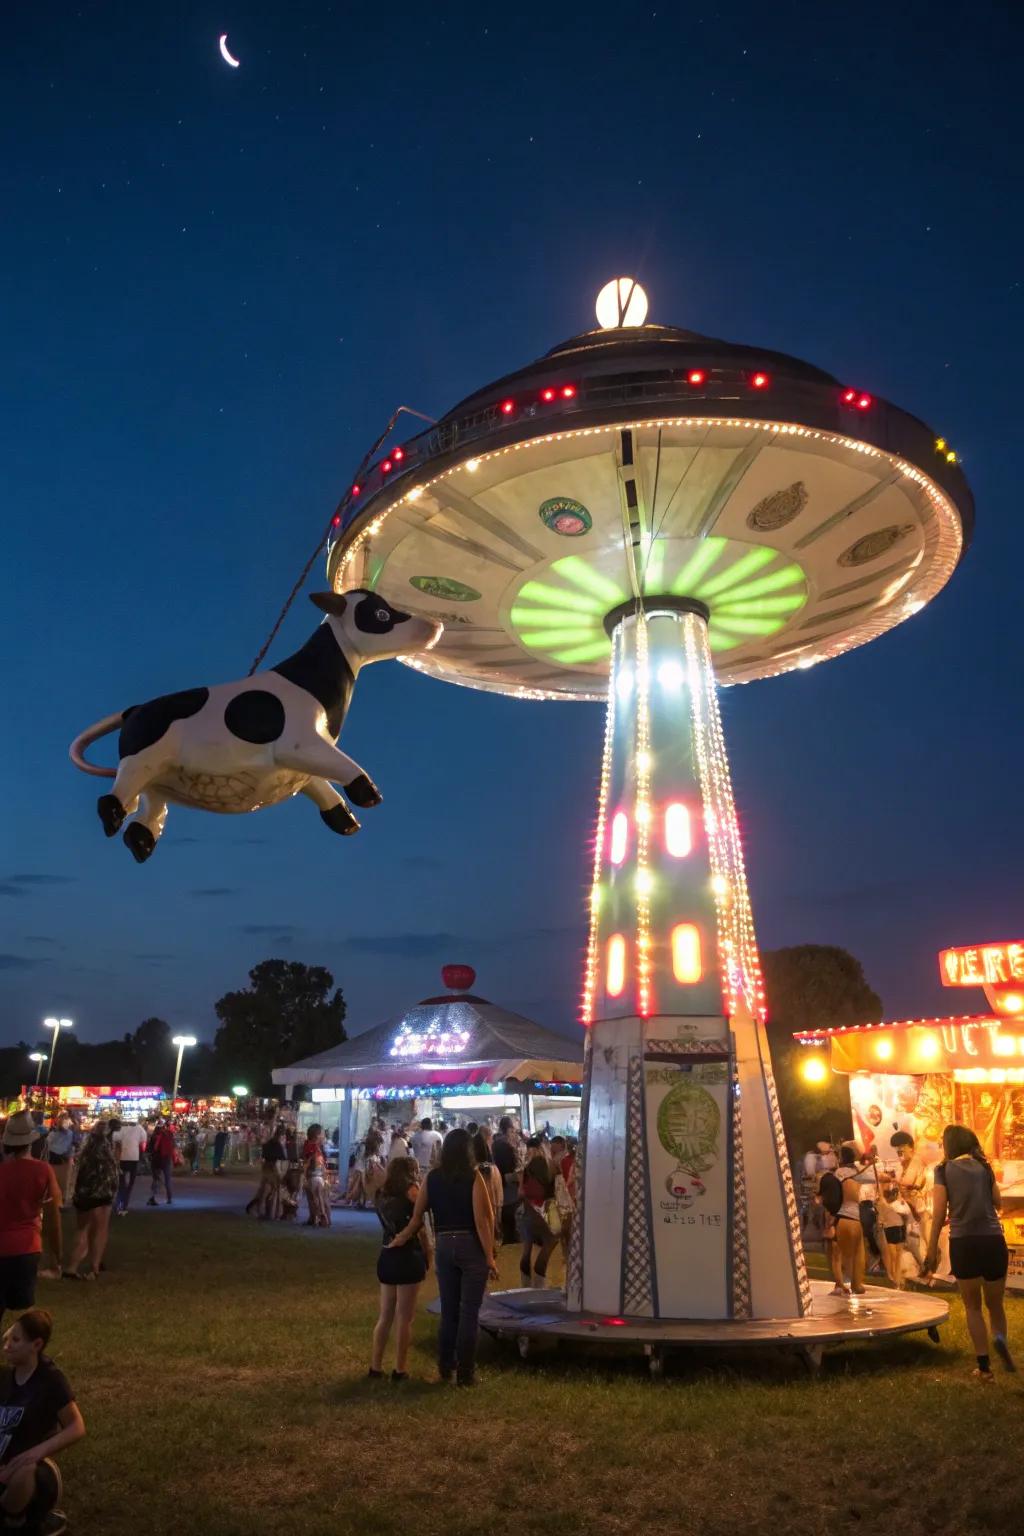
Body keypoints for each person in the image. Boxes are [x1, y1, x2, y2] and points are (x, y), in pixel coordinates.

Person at [389, 1128, 497, 1386]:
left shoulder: (432, 1178)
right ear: (468, 1151)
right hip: (470, 1244)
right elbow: (483, 1219)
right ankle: (466, 1373)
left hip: (444, 1245)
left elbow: (417, 1216)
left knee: (449, 1310)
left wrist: (401, 1237)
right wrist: (490, 1256)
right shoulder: (474, 1178)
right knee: (469, 1311)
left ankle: (446, 1366)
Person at [922, 1124, 1015, 1381]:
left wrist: (931, 1249)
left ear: (949, 1145)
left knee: (973, 1307)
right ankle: (1000, 1339)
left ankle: (984, 1368)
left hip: (964, 1243)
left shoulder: (942, 1170)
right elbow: (998, 1202)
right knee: (995, 1304)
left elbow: (939, 1213)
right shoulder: (985, 1168)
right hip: (993, 1240)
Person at [0, 1309, 85, 1535]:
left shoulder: (50, 1380)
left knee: (24, 1470)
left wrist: (35, 1453)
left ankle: (18, 1521)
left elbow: (77, 1426)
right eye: (6, 1338)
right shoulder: (5, 1377)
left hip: (32, 1471)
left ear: (36, 1345)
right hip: (3, 1466)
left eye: (15, 1340)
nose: (7, 1346)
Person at [369, 1157, 432, 1381]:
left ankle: (375, 1366)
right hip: (408, 1254)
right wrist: (428, 1255)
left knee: (385, 1316)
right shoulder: (412, 1191)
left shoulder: (382, 1194)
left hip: (387, 1253)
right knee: (405, 1318)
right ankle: (400, 1368)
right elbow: (421, 1223)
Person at [0, 1113, 63, 1318]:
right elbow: (53, 1216)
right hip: (27, 1247)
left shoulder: (2, 1172)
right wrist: (57, 1255)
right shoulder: (43, 1170)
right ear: (31, 1141)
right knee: (22, 1312)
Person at [63, 1120, 118, 1281]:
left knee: (82, 1229)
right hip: (101, 1194)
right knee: (100, 1230)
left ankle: (72, 1267)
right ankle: (95, 1267)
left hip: (83, 1194)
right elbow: (112, 1176)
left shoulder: (86, 1151)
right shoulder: (107, 1152)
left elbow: (78, 1172)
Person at [832, 1142, 875, 1296]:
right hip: (856, 1218)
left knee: (838, 1254)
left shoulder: (839, 1172)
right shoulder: (858, 1172)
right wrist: (869, 1163)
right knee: (858, 1253)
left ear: (841, 1158)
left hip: (843, 1216)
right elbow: (874, 1177)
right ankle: (857, 1284)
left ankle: (840, 1284)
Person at [517, 1135, 559, 1287]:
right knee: (549, 1242)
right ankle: (539, 1285)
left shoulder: (527, 1168)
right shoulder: (551, 1165)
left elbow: (520, 1193)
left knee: (527, 1250)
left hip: (528, 1213)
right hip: (547, 1212)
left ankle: (526, 1287)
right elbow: (556, 1191)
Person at [491, 1116, 521, 1245]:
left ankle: (508, 1240)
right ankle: (512, 1242)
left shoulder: (495, 1143)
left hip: (499, 1183)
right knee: (511, 1220)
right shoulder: (506, 1145)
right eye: (513, 1129)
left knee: (506, 1219)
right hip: (508, 1186)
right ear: (509, 1129)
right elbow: (510, 1171)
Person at [246, 1125, 286, 1220]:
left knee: (264, 1191)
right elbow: (282, 1158)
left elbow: (264, 1155)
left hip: (266, 1168)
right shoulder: (278, 1146)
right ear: (281, 1136)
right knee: (273, 1192)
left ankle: (261, 1210)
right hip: (273, 1169)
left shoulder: (268, 1144)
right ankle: (272, 1213)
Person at [112, 1118, 147, 1216]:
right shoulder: (140, 1129)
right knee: (130, 1183)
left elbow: (114, 1138)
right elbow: (143, 1141)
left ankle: (118, 1204)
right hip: (134, 1158)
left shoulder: (121, 1129)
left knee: (122, 1183)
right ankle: (124, 1205)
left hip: (123, 1159)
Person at [471, 1132, 503, 1241]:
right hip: (493, 1214)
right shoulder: (494, 1169)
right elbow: (499, 1197)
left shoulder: (472, 1172)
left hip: (477, 1217)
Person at [42, 1118, 74, 1211]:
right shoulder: (68, 1133)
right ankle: (60, 1203)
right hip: (62, 1160)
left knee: (55, 1182)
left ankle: (54, 1202)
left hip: (57, 1160)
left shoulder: (54, 1134)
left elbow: (48, 1145)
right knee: (62, 1183)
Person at [301, 1125, 330, 1228]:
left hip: (314, 1176)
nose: (324, 1136)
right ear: (317, 1135)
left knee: (314, 1198)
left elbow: (306, 1162)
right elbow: (310, 1162)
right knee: (319, 1198)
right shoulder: (314, 1147)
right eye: (322, 1134)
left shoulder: (310, 1146)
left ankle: (317, 1217)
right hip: (317, 1175)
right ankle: (322, 1217)